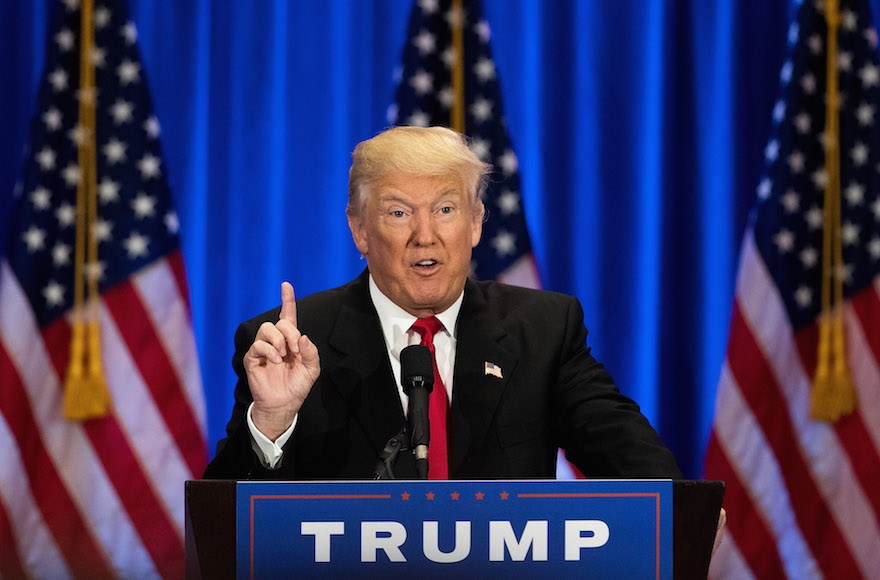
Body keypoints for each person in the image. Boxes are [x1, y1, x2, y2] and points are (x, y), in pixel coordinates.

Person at [203, 126, 682, 481]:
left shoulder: (543, 329)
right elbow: (224, 521)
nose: (424, 235)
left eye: (446, 210)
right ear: (360, 231)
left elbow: (626, 453)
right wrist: (272, 421)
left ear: (475, 223)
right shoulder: (290, 342)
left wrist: (684, 514)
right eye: (398, 213)